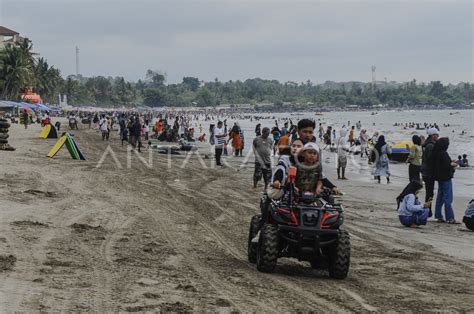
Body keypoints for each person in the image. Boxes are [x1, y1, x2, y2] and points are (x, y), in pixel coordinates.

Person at [432, 137, 459, 224]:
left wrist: (450, 163)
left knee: (440, 197)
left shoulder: (436, 152)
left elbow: (442, 165)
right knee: (448, 198)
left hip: (439, 178)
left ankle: (438, 216)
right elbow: (447, 166)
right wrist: (453, 165)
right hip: (446, 178)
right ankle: (450, 218)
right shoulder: (444, 154)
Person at [421, 128, 439, 216]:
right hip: (428, 172)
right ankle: (428, 210)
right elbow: (431, 160)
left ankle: (428, 209)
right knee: (430, 192)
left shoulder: (426, 144)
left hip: (424, 170)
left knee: (428, 191)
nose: (438, 137)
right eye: (437, 135)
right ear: (433, 136)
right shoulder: (430, 146)